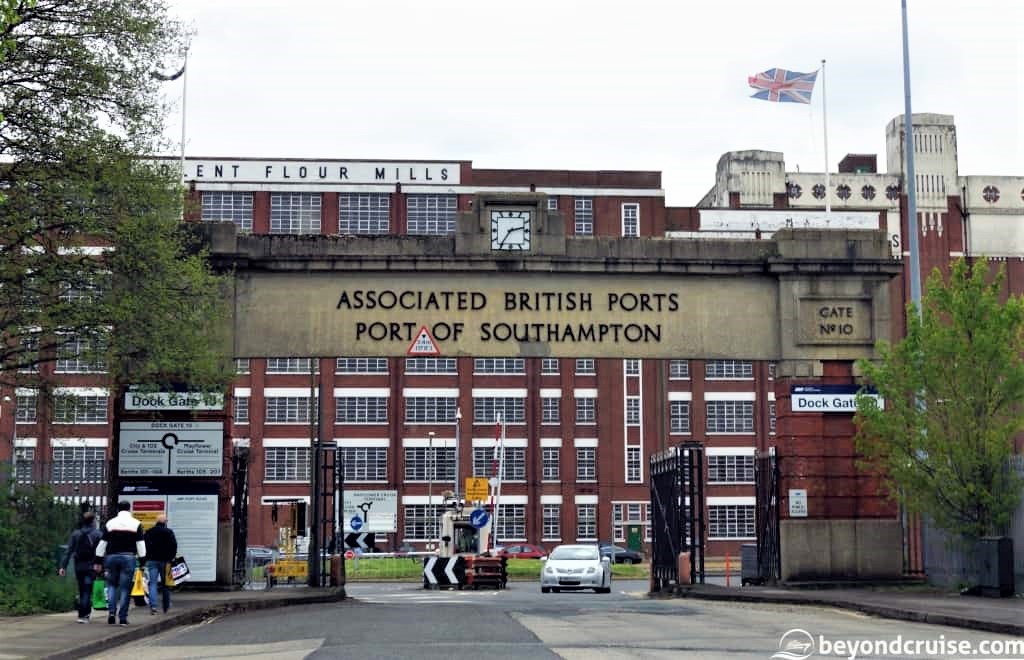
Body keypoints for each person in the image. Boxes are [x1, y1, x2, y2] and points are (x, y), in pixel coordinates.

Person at [94, 501, 146, 626]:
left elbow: (102, 544)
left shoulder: (110, 523)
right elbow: (141, 545)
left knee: (111, 585)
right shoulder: (136, 523)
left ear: (118, 509)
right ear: (129, 509)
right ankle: (122, 618)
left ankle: (111, 613)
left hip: (111, 557)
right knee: (125, 588)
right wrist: (143, 562)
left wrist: (98, 561)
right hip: (128, 557)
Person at [58, 511, 102, 623]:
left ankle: (81, 614)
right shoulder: (97, 534)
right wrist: (101, 565)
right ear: (93, 521)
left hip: (79, 566)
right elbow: (101, 552)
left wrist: (63, 566)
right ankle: (84, 615)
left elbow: (68, 551)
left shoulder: (76, 534)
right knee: (87, 590)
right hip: (91, 566)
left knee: (82, 589)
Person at [142, 514, 177, 614]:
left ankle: (153, 607)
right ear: (165, 522)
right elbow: (174, 545)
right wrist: (171, 557)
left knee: (152, 584)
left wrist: (146, 558)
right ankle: (166, 606)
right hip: (166, 561)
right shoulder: (169, 532)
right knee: (166, 584)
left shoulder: (149, 532)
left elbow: (145, 546)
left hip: (152, 561)